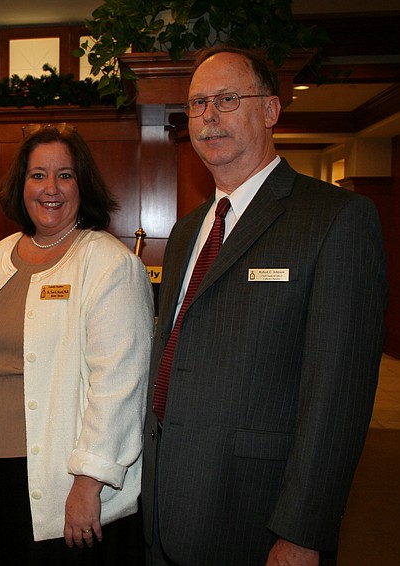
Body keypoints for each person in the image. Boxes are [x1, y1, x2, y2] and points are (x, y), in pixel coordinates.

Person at [142, 47, 387, 566]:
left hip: (257, 511)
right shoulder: (188, 229)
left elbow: (338, 396)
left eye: (228, 99)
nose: (209, 116)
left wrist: (303, 530)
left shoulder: (335, 219)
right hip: (168, 499)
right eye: (197, 104)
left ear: (271, 110)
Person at [0, 123, 153, 565]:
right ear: (21, 184)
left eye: (65, 175)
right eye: (38, 175)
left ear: (83, 184)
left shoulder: (109, 264)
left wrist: (88, 481)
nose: (51, 188)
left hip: (52, 482)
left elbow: (120, 384)